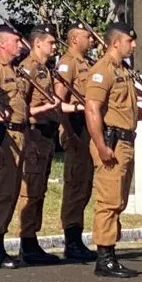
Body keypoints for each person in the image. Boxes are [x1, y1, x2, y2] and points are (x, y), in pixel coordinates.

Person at [85, 22, 142, 278]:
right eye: (129, 42)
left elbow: (129, 112)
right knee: (109, 201)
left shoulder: (123, 71)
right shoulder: (102, 71)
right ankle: (105, 258)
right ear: (115, 43)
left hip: (125, 141)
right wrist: (101, 146)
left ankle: (110, 254)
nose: (133, 46)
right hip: (111, 143)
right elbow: (92, 109)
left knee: (119, 201)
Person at [0, 26, 58, 269]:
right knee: (0, 193)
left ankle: (1, 247)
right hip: (3, 137)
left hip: (19, 135)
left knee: (11, 193)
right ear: (2, 45)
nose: (21, 45)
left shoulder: (15, 71)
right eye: (16, 41)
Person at [16, 26, 81, 265]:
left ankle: (32, 240)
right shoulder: (28, 68)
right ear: (37, 44)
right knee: (31, 191)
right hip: (33, 134)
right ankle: (26, 242)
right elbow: (20, 107)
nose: (55, 47)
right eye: (51, 43)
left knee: (39, 190)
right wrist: (46, 108)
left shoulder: (45, 69)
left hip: (46, 136)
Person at [54, 23, 98, 261]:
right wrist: (68, 132)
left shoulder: (88, 64)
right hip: (75, 128)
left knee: (84, 186)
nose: (91, 39)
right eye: (86, 36)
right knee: (75, 186)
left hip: (87, 131)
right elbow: (58, 100)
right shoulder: (67, 63)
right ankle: (71, 240)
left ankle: (77, 237)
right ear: (73, 39)